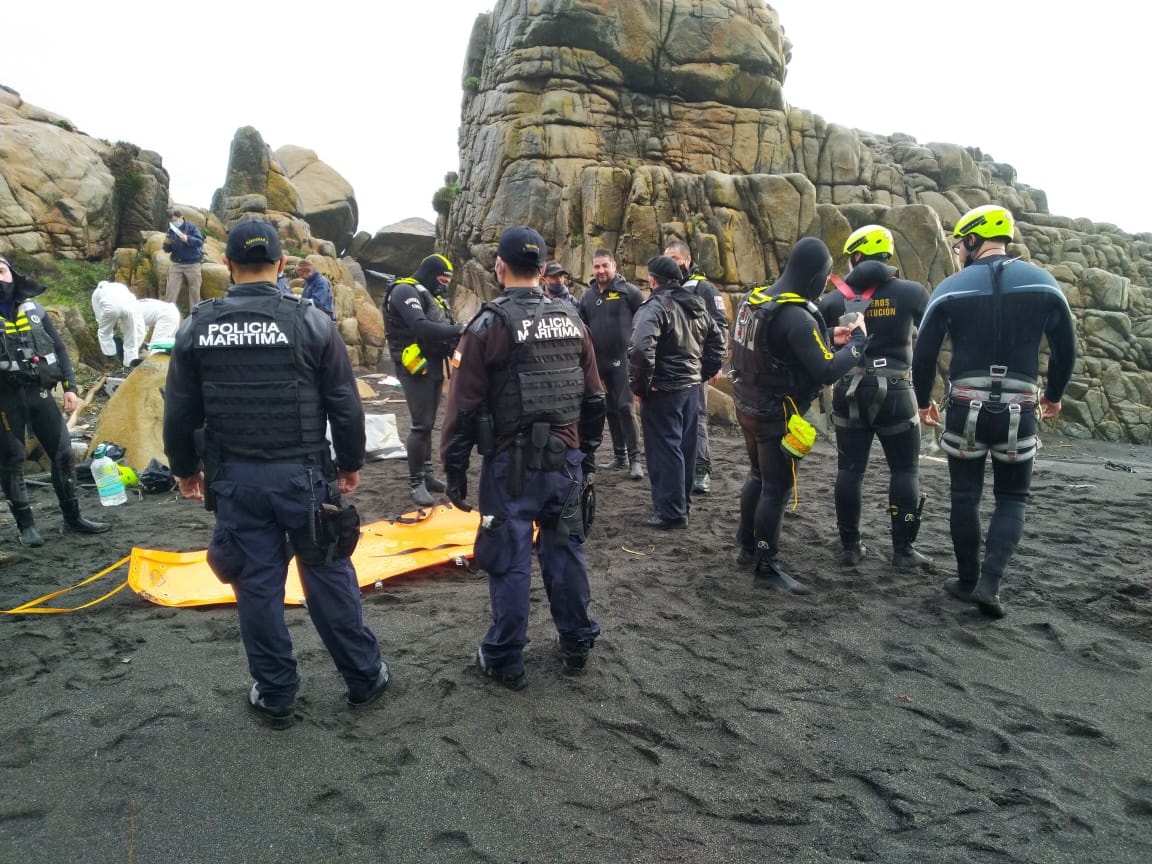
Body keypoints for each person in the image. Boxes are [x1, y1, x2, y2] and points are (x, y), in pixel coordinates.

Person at [162, 220, 387, 728]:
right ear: (282, 265)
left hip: (237, 483)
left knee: (257, 587)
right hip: (305, 479)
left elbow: (178, 410)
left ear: (229, 267)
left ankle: (276, 692)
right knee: (328, 578)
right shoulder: (311, 321)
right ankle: (364, 677)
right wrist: (350, 464)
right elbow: (344, 404)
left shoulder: (198, 325)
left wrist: (183, 471)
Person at [441, 225, 605, 689]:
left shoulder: (487, 325)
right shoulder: (572, 320)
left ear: (500, 266)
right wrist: (586, 456)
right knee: (566, 552)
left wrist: (454, 471)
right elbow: (595, 400)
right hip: (566, 461)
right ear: (542, 268)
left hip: (509, 468)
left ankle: (505, 657)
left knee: (509, 559)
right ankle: (577, 643)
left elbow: (463, 409)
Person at [913, 205, 1076, 619]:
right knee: (1012, 497)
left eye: (960, 243)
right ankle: (990, 585)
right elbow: (1065, 348)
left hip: (965, 404)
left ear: (972, 239)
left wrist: (921, 398)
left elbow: (925, 352)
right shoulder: (1044, 283)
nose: (958, 251)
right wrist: (1053, 395)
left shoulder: (950, 287)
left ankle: (966, 581)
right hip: (1021, 406)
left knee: (965, 495)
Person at [731, 237, 868, 595]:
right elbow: (825, 371)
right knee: (775, 487)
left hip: (746, 406)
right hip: (775, 415)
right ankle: (765, 564)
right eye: (824, 277)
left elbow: (776, 346)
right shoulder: (795, 315)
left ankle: (745, 547)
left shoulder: (755, 299)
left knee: (757, 476)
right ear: (815, 277)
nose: (824, 284)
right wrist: (856, 345)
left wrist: (825, 335)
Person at [817, 225, 931, 570]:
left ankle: (850, 546)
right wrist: (926, 398)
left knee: (850, 471)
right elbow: (928, 346)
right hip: (897, 391)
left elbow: (819, 344)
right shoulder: (913, 292)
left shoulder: (834, 299)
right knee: (904, 471)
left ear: (856, 256)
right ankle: (904, 550)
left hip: (850, 391)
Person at [0, 255, 109, 547]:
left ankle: (73, 517)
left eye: (1, 270)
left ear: (12, 274)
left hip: (39, 392)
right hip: (5, 399)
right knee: (12, 459)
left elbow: (59, 348)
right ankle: (26, 526)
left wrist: (70, 387)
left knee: (63, 453)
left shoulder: (34, 309)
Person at [628, 255, 726, 529]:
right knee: (686, 446)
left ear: (653, 279)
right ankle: (681, 505)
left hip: (663, 391)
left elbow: (639, 349)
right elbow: (717, 343)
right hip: (691, 389)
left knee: (665, 450)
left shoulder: (656, 306)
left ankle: (671, 513)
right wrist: (700, 374)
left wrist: (641, 386)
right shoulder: (697, 305)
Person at [383, 254, 465, 506]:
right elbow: (420, 326)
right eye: (442, 279)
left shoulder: (432, 295)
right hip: (414, 365)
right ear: (430, 273)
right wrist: (461, 329)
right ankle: (416, 482)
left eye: (448, 281)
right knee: (420, 424)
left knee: (429, 423)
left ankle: (427, 473)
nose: (444, 285)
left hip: (433, 364)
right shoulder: (404, 290)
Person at [663, 239, 729, 494]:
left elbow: (720, 327)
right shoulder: (665, 290)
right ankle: (680, 468)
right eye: (668, 261)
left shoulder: (704, 289)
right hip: (669, 369)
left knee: (697, 418)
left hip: (696, 366)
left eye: (676, 260)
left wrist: (714, 365)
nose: (672, 266)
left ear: (687, 261)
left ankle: (701, 470)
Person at [578, 247, 645, 480]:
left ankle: (635, 459)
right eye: (597, 266)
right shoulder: (587, 297)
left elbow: (646, 319)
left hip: (623, 362)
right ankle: (620, 456)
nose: (601, 270)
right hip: (599, 364)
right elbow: (581, 328)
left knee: (626, 407)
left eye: (605, 265)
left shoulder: (629, 292)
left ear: (614, 266)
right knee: (609, 410)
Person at [92, 281, 182, 366]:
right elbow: (142, 329)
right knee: (170, 347)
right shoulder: (131, 303)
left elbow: (138, 331)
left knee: (157, 348)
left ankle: (153, 374)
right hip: (173, 311)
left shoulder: (133, 310)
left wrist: (136, 350)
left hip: (166, 315)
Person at [162, 208, 204, 313]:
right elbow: (166, 250)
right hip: (176, 264)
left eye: (175, 220)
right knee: (170, 292)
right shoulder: (171, 230)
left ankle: (195, 317)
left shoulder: (192, 227)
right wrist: (168, 244)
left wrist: (188, 239)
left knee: (195, 293)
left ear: (182, 218)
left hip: (193, 263)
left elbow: (200, 242)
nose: (173, 223)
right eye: (171, 221)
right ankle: (167, 315)